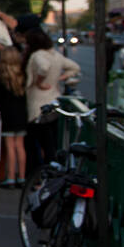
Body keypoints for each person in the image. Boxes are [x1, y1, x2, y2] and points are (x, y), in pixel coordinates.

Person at [24, 28, 81, 170]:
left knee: (35, 141)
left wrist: (38, 81)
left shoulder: (38, 55)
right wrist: (58, 78)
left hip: (38, 103)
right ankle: (52, 169)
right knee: (51, 141)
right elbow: (74, 67)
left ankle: (38, 172)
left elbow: (43, 67)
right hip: (54, 99)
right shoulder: (56, 55)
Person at [0, 47, 28, 187]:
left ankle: (11, 177)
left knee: (10, 146)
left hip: (7, 113)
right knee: (20, 145)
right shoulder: (22, 75)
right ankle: (22, 176)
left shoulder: (1, 77)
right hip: (21, 113)